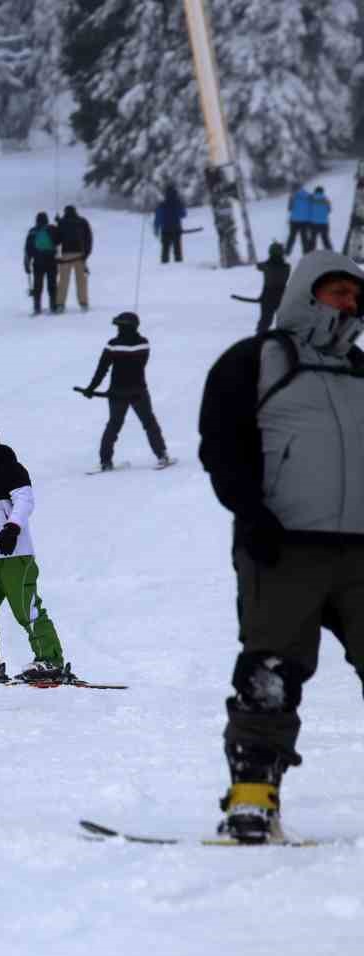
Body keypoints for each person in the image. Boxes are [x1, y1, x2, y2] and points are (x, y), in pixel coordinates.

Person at [197, 250, 364, 844]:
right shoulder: (256, 360)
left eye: (353, 294)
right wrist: (251, 513)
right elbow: (220, 443)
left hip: (360, 550)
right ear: (304, 294)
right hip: (283, 548)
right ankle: (252, 797)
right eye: (335, 291)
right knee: (271, 670)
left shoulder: (359, 369)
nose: (347, 303)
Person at [0, 420, 66, 683]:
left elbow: (24, 500)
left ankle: (49, 659)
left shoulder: (11, 469)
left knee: (26, 610)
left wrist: (12, 527)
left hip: (14, 555)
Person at [80, 311, 171, 471]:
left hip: (116, 393)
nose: (118, 329)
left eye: (119, 327)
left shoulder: (113, 344)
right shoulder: (144, 344)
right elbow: (138, 365)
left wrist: (91, 388)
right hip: (139, 392)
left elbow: (102, 369)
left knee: (113, 426)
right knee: (149, 423)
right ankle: (162, 455)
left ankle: (105, 461)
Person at [55, 204, 93, 313]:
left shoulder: (62, 222)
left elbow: (57, 239)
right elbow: (89, 238)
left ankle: (60, 304)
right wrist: (86, 254)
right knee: (81, 280)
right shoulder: (82, 221)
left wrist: (58, 222)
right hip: (80, 256)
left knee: (63, 281)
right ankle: (83, 302)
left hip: (66, 255)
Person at [23, 212, 58, 315]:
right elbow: (59, 240)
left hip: (38, 261)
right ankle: (53, 306)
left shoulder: (32, 231)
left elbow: (28, 249)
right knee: (52, 285)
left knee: (38, 285)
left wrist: (27, 263)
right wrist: (58, 221)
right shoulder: (52, 229)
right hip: (51, 260)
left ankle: (37, 307)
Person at [254, 243, 290, 334]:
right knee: (285, 322)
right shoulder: (287, 267)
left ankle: (259, 339)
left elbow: (258, 266)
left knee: (265, 322)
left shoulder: (266, 266)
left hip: (268, 296)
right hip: (282, 296)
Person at [154, 184, 187, 264]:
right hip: (176, 229)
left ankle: (164, 265)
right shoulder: (178, 203)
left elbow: (158, 218)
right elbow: (183, 214)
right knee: (177, 249)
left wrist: (156, 228)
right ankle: (178, 264)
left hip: (165, 230)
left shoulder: (162, 205)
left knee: (165, 250)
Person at [283, 186, 312, 256]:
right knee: (304, 237)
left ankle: (287, 252)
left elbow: (289, 208)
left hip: (294, 221)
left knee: (292, 236)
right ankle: (306, 252)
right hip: (305, 220)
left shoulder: (292, 196)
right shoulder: (309, 195)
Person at [310, 186, 332, 251]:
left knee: (313, 239)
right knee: (325, 239)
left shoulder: (312, 199)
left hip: (314, 223)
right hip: (324, 223)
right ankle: (330, 252)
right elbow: (329, 210)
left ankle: (311, 253)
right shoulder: (326, 200)